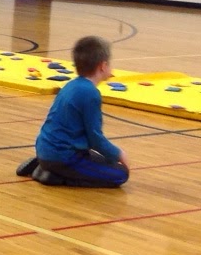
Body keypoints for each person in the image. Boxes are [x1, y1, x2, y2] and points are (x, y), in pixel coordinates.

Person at [16, 35, 129, 187]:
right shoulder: (90, 93)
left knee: (101, 161)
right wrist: (118, 153)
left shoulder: (70, 85)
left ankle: (43, 164)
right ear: (102, 66)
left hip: (44, 149)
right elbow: (95, 139)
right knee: (120, 174)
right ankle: (55, 175)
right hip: (64, 157)